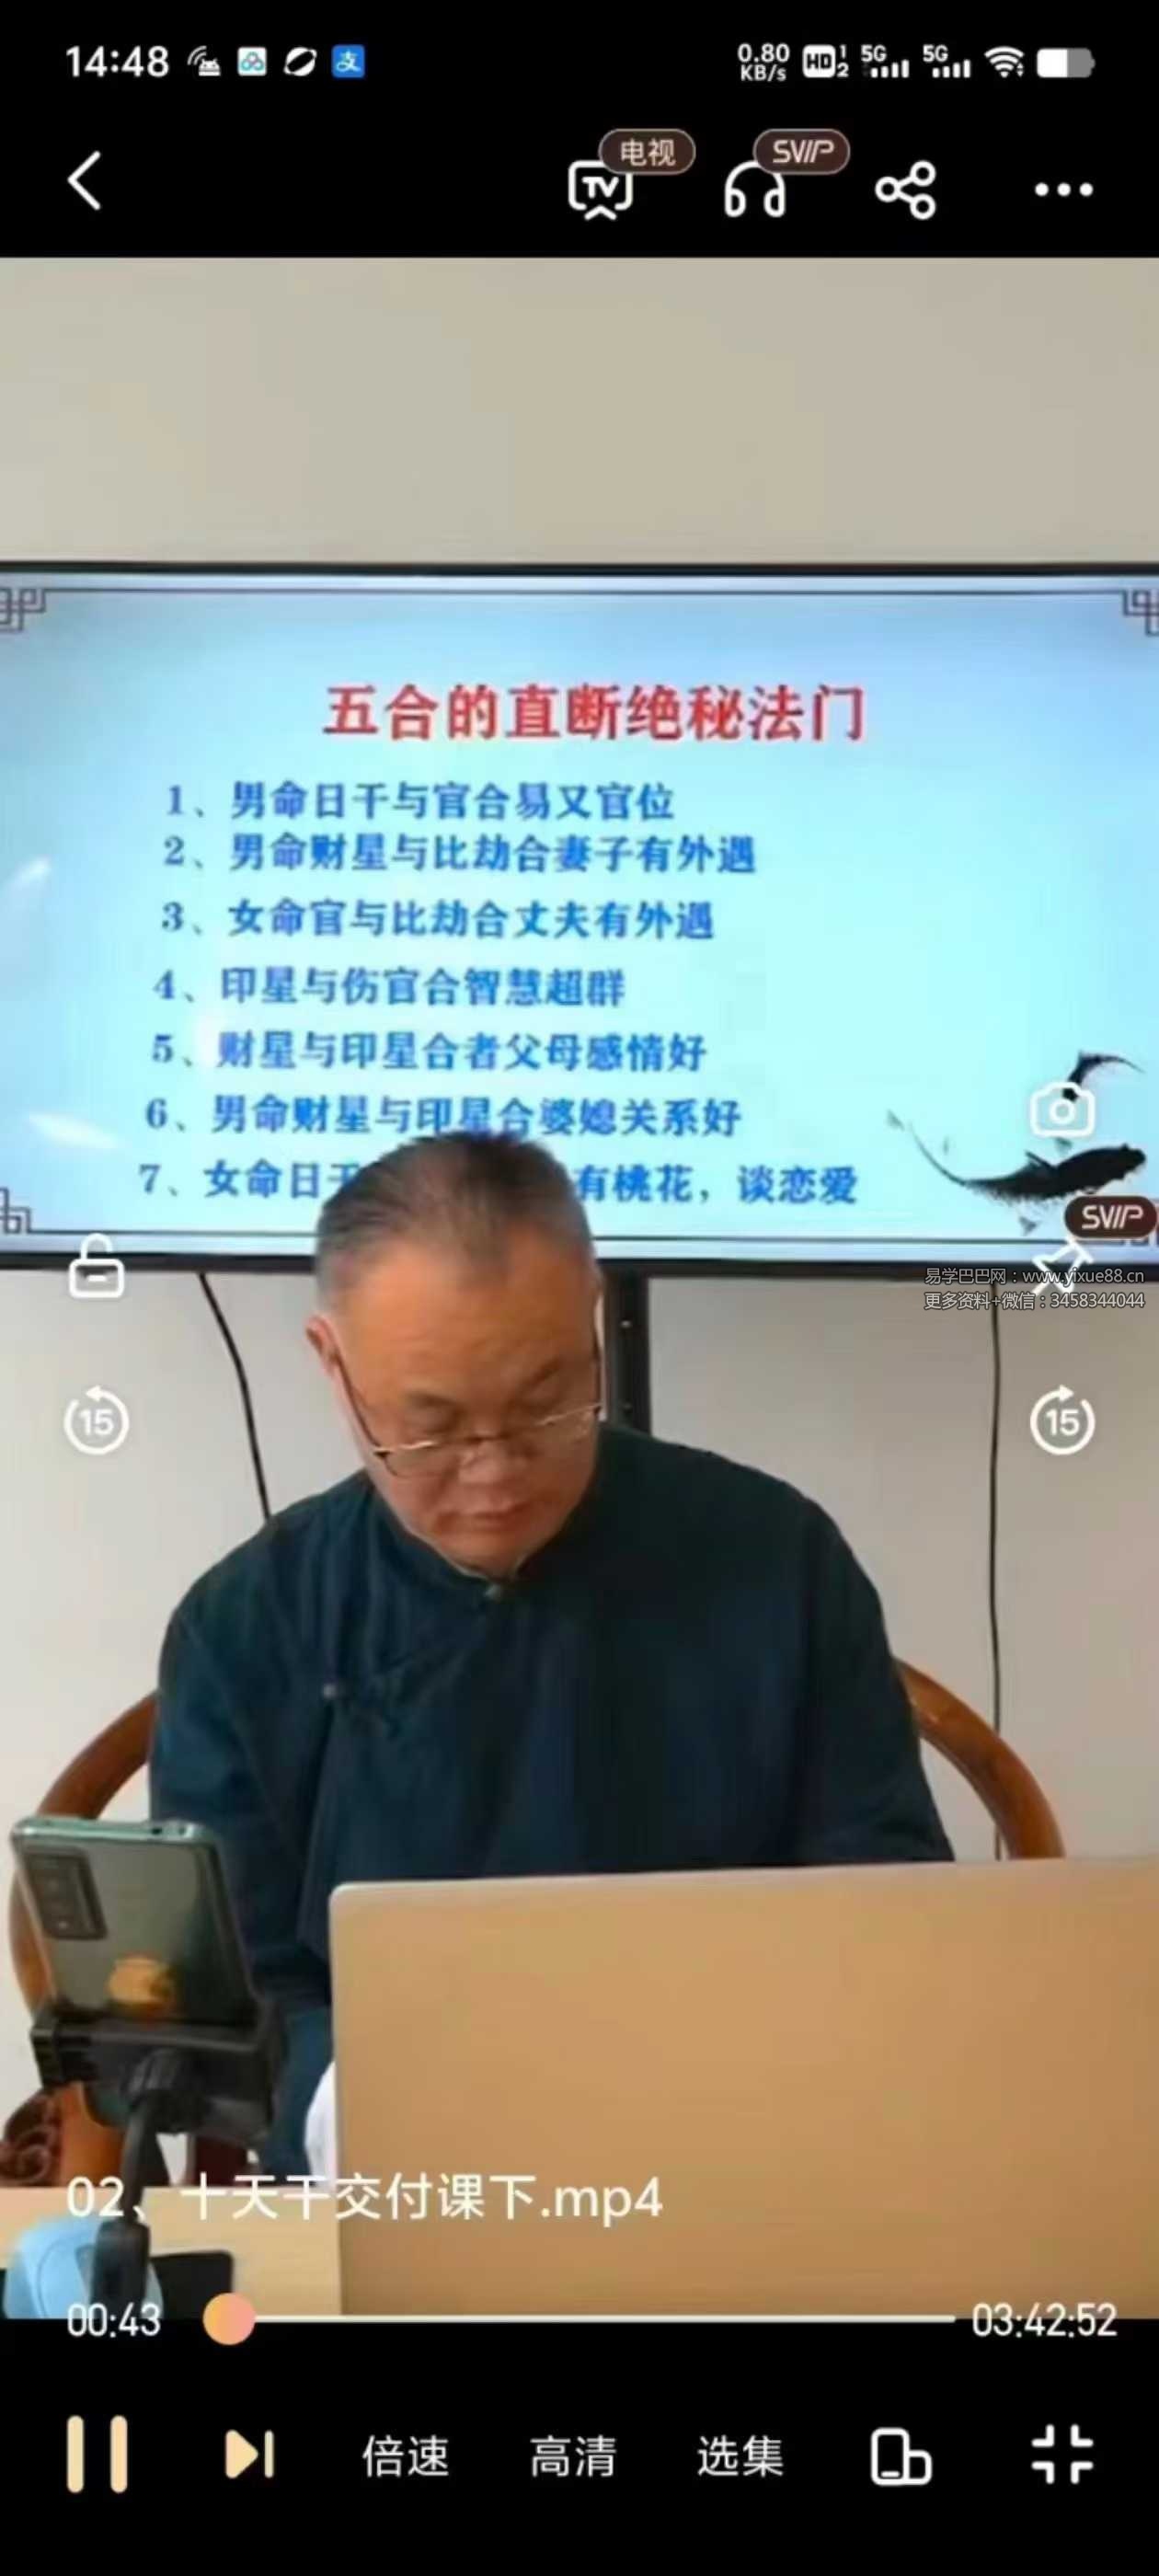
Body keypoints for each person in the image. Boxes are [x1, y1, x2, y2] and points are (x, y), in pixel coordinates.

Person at [151, 1133, 952, 2176]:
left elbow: (885, 1898)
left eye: (544, 1406)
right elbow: (234, 1997)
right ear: (332, 1363)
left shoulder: (776, 1557)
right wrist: (361, 2107)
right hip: (398, 2171)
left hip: (742, 2141)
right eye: (431, 1428)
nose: (494, 1474)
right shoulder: (245, 1625)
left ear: (593, 1316)